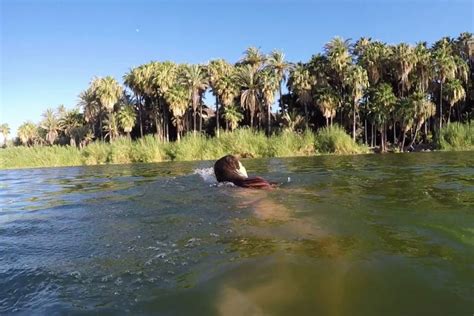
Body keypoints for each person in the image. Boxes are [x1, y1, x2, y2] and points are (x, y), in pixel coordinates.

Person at [214, 155, 278, 189]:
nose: (244, 168)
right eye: (242, 166)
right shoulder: (256, 182)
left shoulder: (225, 188)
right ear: (237, 170)